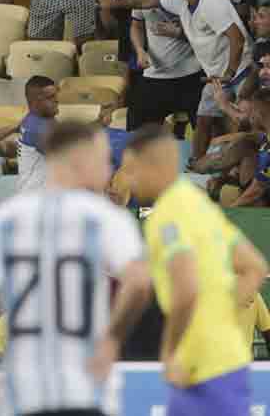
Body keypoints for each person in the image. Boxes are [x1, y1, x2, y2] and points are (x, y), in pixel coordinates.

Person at [96, 125, 269, 414]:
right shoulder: (200, 206)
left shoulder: (168, 216)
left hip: (195, 363)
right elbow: (254, 268)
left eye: (130, 170)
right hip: (229, 358)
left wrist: (170, 350)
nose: (125, 179)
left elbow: (186, 288)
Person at [0, 121, 152, 415]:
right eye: (104, 159)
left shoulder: (7, 217)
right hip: (83, 384)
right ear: (82, 159)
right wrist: (112, 340)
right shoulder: (106, 218)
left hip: (21, 388)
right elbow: (140, 283)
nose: (109, 171)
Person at [124, 0, 253, 164]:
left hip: (240, 72)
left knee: (244, 124)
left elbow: (236, 38)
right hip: (214, 76)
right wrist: (114, 3)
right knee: (204, 120)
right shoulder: (181, 1)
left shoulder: (211, 2)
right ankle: (197, 162)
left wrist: (230, 71)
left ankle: (239, 169)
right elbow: (146, 2)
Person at [126, 0, 207, 133]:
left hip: (190, 76)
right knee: (137, 129)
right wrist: (140, 50)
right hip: (155, 76)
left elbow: (206, 36)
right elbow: (136, 25)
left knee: (205, 130)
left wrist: (178, 33)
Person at [15, 75, 57, 192]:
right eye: (50, 97)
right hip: (35, 200)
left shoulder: (41, 119)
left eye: (56, 95)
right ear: (36, 102)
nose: (57, 100)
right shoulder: (37, 128)